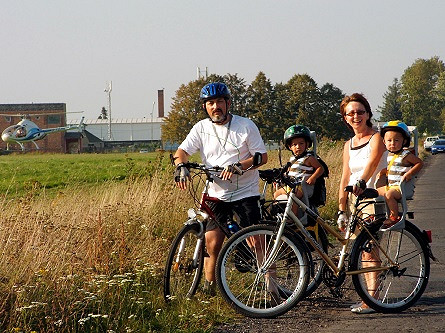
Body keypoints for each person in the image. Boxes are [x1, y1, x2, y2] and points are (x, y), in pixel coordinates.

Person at [173, 82, 268, 295]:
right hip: (215, 192)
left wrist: (239, 166)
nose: (215, 107)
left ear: (228, 103)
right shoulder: (201, 128)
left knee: (256, 241)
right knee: (212, 242)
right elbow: (182, 151)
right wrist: (180, 166)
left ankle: (271, 289)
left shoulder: (245, 126)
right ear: (206, 107)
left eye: (219, 102)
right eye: (210, 103)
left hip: (245, 191)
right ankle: (210, 289)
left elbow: (262, 157)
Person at [336, 93, 388, 314]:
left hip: (372, 196)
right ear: (345, 118)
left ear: (368, 114)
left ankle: (372, 299)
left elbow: (373, 163)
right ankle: (369, 294)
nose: (356, 116)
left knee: (368, 249)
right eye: (351, 113)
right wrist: (340, 207)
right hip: (353, 199)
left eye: (360, 112)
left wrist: (362, 181)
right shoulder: (348, 144)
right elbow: (344, 175)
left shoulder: (376, 137)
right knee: (359, 249)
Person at [378, 121, 423, 230]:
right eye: (389, 140)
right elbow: (394, 168)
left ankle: (394, 216)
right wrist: (384, 171)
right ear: (384, 141)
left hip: (400, 188)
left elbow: (419, 163)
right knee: (375, 192)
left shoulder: (405, 155)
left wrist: (409, 173)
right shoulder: (389, 155)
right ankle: (377, 217)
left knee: (389, 195)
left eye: (396, 140)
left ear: (404, 141)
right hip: (391, 186)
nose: (392, 143)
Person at [274, 125, 324, 221]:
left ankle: (294, 218)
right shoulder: (292, 160)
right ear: (290, 147)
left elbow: (320, 168)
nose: (298, 147)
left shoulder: (309, 158)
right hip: (291, 185)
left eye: (301, 143)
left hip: (303, 186)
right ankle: (280, 215)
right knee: (276, 194)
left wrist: (313, 177)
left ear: (307, 144)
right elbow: (289, 172)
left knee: (293, 197)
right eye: (294, 145)